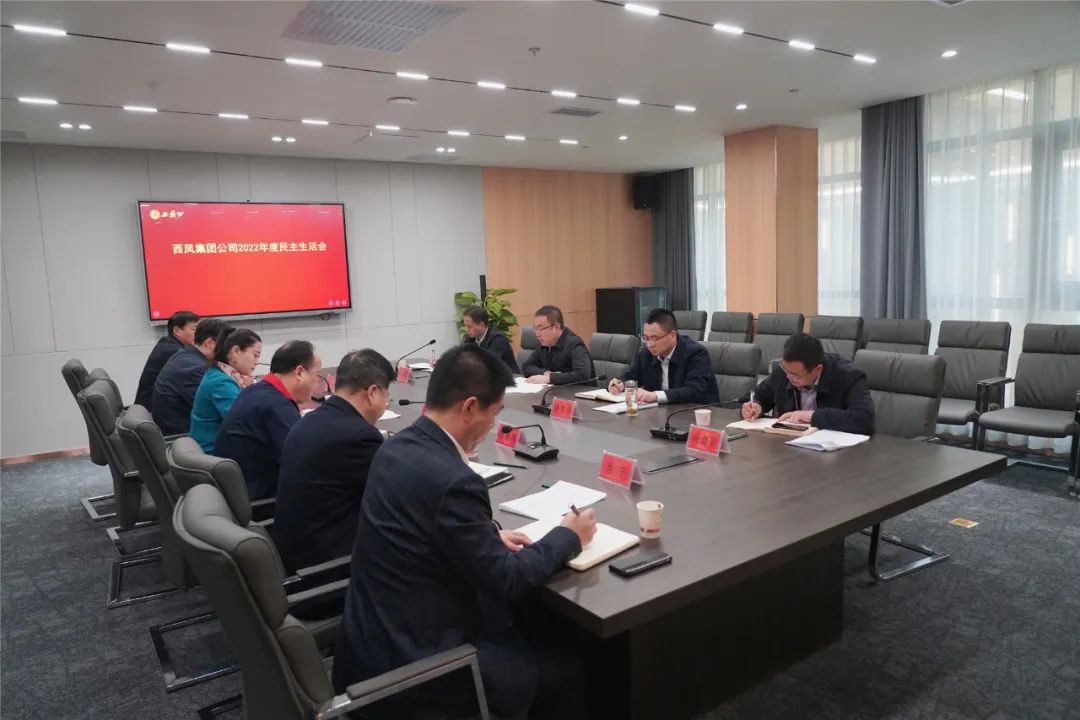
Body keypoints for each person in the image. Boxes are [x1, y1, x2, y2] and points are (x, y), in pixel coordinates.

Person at [332, 344, 596, 720]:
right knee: (566, 669)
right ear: (470, 407)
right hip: (419, 669)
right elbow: (506, 579)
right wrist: (568, 535)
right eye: (495, 414)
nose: (493, 427)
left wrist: (486, 535)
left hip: (368, 647)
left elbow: (420, 528)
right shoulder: (456, 481)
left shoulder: (395, 448)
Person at [273, 349, 394, 575]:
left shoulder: (310, 419)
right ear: (373, 392)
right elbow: (394, 498)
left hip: (294, 554)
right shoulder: (360, 436)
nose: (385, 403)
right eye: (386, 396)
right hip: (329, 567)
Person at [215, 340, 322, 500]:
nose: (317, 383)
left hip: (238, 492)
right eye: (316, 375)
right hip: (261, 500)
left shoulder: (256, 390)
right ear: (299, 372)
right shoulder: (276, 406)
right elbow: (302, 464)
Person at [740, 333, 875, 435]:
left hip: (837, 453)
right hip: (789, 448)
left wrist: (812, 416)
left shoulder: (848, 376)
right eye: (786, 370)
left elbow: (864, 419)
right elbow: (756, 396)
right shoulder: (784, 372)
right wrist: (755, 406)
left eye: (796, 375)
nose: (788, 377)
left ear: (818, 369)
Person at [608, 308, 719, 405]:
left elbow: (694, 390)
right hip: (660, 413)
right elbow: (632, 376)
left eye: (655, 338)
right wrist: (620, 384)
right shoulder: (646, 354)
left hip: (694, 414)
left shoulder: (696, 353)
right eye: (646, 338)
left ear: (672, 335)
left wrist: (655, 396)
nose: (650, 344)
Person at [151, 318, 232, 435]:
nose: (228, 352)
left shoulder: (185, 355)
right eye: (226, 346)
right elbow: (219, 410)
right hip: (184, 436)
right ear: (210, 343)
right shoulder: (195, 368)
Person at [189, 329, 261, 453]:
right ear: (236, 351)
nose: (257, 362)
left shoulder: (217, 373)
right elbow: (245, 424)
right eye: (255, 355)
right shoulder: (222, 383)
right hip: (214, 453)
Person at [135, 311, 199, 409]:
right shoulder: (174, 351)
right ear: (177, 330)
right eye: (195, 329)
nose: (199, 334)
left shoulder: (167, 343)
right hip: (153, 409)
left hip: (151, 404)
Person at [521, 305, 595, 385]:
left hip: (580, 391)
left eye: (540, 329)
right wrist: (545, 373)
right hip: (554, 390)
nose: (537, 334)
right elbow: (527, 366)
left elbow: (582, 375)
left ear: (556, 327)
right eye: (535, 328)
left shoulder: (574, 343)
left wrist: (549, 378)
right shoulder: (543, 342)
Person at [462, 305, 520, 374]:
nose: (467, 330)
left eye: (469, 327)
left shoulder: (498, 339)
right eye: (465, 326)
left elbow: (488, 364)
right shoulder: (469, 339)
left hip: (507, 377)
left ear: (481, 325)